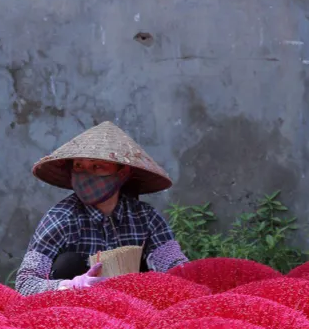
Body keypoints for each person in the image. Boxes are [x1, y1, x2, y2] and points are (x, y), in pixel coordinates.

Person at [15, 121, 189, 296]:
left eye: (96, 166)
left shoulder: (145, 218)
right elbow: (25, 283)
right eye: (79, 166)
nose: (85, 174)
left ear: (122, 173)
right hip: (75, 312)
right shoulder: (60, 218)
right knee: (68, 262)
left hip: (134, 308)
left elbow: (177, 269)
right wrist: (70, 286)